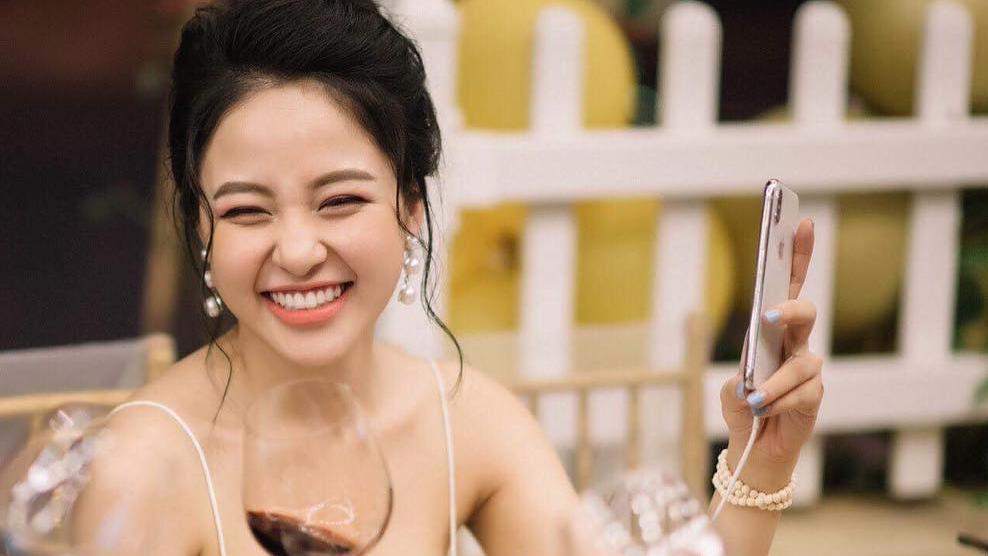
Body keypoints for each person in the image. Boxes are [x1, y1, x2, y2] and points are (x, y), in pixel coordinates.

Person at [78, 1, 824, 554]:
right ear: (201, 227)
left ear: (409, 208)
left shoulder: (461, 418)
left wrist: (761, 461)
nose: (298, 250)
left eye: (340, 201)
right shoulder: (144, 466)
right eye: (247, 211)